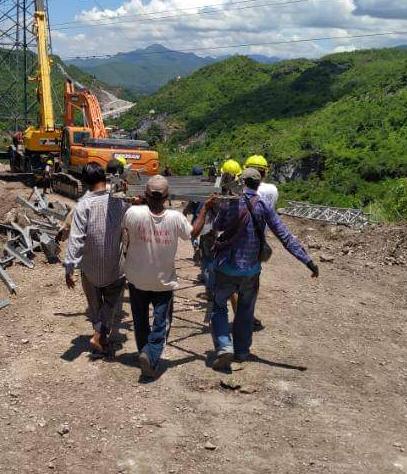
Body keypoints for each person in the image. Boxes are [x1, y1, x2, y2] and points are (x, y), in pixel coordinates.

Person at [196, 167, 319, 370]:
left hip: (226, 267)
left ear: (242, 182)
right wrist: (308, 261)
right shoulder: (264, 205)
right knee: (245, 310)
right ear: (259, 183)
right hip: (251, 271)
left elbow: (215, 228)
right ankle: (242, 351)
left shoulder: (230, 203)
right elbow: (285, 236)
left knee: (218, 307)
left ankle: (225, 347)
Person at [122, 175, 208, 377]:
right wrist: (206, 208)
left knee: (140, 319)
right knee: (161, 322)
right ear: (167, 196)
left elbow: (125, 224)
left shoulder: (133, 213)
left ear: (145, 194)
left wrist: (134, 200)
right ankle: (151, 356)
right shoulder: (176, 218)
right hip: (163, 282)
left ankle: (144, 352)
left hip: (137, 279)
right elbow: (193, 233)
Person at [63, 162, 129, 355]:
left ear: (85, 182)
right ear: (104, 178)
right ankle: (99, 335)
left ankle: (99, 334)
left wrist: (69, 269)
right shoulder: (120, 200)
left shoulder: (83, 205)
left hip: (90, 268)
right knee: (111, 302)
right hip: (114, 267)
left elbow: (76, 238)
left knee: (95, 305)